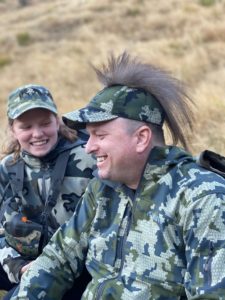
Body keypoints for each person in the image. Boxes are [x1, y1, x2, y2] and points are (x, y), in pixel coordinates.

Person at [11, 53, 225, 299]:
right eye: (89, 136)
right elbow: (57, 259)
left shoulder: (204, 198)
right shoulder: (103, 189)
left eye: (100, 136)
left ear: (141, 138)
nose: (88, 147)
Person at [0, 84, 95, 299]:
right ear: (13, 130)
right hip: (23, 261)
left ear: (57, 121)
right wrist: (19, 268)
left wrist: (43, 271)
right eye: (26, 127)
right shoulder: (6, 169)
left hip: (77, 269)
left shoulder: (89, 158)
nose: (38, 134)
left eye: (45, 123)